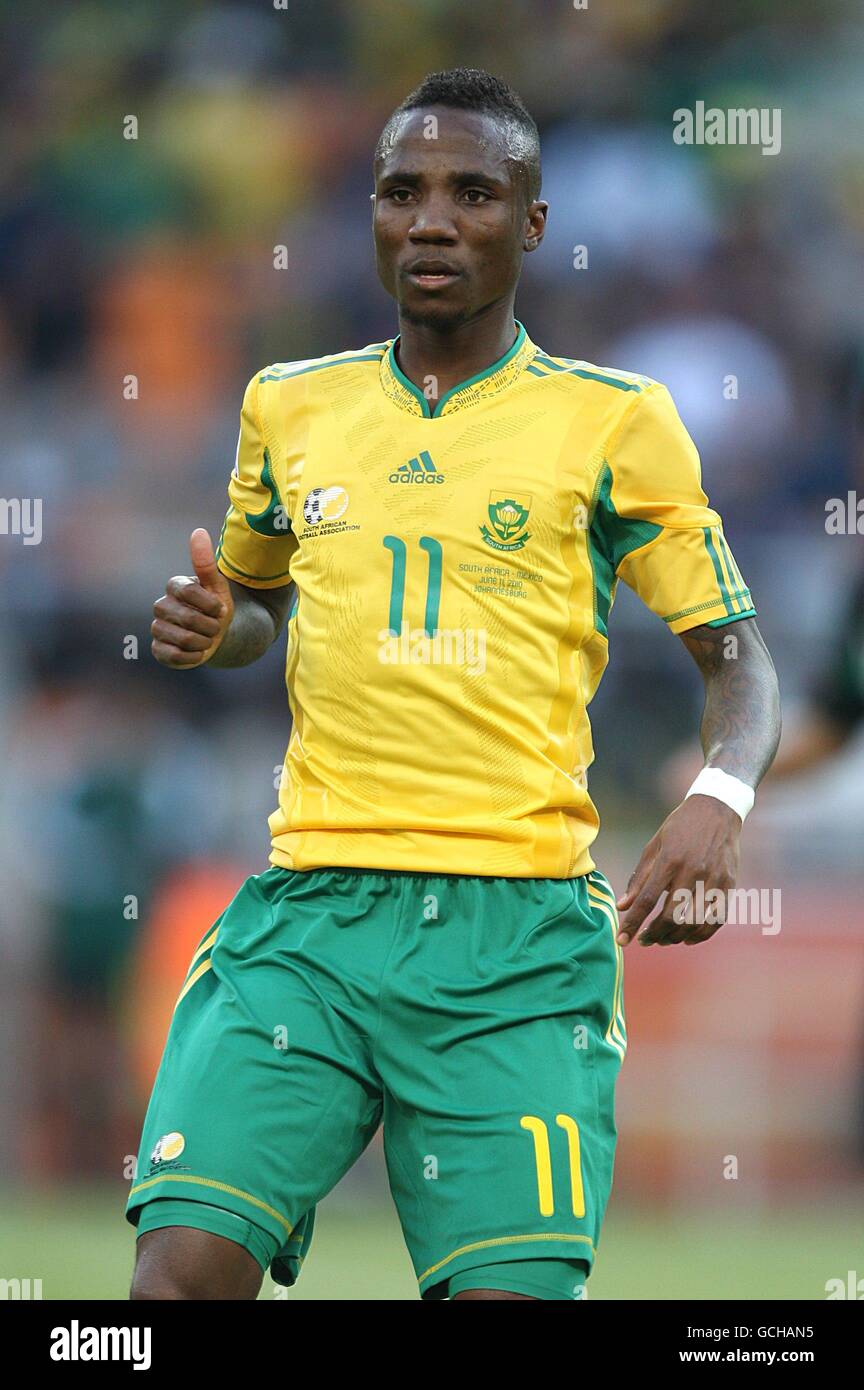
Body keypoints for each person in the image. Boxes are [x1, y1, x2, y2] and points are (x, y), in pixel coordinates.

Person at [128, 68, 781, 1302]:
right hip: (310, 925)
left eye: (473, 192)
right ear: (371, 216)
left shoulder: (617, 421)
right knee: (171, 1288)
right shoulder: (290, 403)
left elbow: (740, 662)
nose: (432, 220)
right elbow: (260, 603)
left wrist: (721, 799)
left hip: (517, 945)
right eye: (402, 192)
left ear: (530, 223)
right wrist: (220, 629)